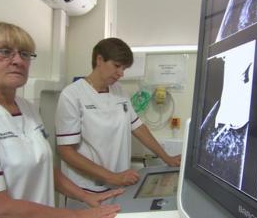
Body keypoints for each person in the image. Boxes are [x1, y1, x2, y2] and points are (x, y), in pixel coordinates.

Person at [0, 22, 123, 218]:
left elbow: (43, 166)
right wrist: (76, 216)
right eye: (4, 52)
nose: (17, 61)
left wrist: (85, 196)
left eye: (24, 54)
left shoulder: (27, 108)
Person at [55, 37, 181, 209]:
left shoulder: (119, 92)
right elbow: (66, 151)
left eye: (124, 68)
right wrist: (110, 176)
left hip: (119, 184)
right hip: (87, 191)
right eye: (117, 66)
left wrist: (167, 158)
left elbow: (138, 128)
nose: (121, 73)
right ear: (99, 60)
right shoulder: (72, 95)